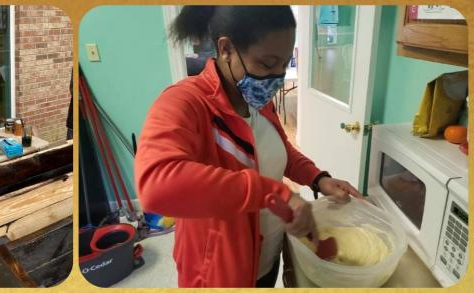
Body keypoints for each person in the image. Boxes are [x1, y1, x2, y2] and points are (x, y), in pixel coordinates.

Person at [133, 6, 362, 288]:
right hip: (219, 272)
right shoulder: (184, 102)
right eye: (267, 64)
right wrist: (275, 192)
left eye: (284, 64)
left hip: (267, 256)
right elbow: (156, 186)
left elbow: (279, 152)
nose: (277, 78)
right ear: (226, 48)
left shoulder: (258, 101)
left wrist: (319, 178)